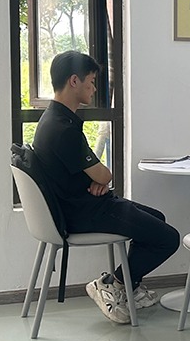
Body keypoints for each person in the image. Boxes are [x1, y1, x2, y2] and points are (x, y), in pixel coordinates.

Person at [32, 51, 179, 324]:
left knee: (157, 219)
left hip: (79, 204)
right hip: (84, 212)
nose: (94, 88)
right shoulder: (63, 129)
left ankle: (128, 286)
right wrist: (100, 179)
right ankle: (112, 285)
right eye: (91, 81)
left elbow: (94, 176)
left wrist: (98, 181)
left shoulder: (53, 119)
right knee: (168, 238)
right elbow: (105, 174)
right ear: (74, 81)